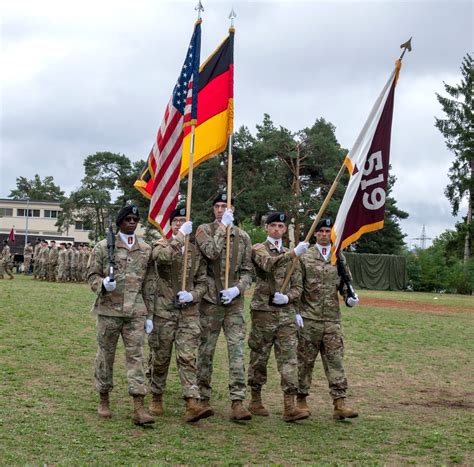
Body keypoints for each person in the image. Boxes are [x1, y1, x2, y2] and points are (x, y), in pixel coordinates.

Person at [87, 204, 155, 425]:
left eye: (135, 219)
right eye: (128, 219)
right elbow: (91, 275)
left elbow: (149, 284)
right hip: (109, 311)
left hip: (135, 312)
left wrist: (149, 315)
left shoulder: (145, 249)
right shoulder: (103, 246)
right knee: (105, 357)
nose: (132, 223)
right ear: (120, 222)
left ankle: (138, 406)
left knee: (136, 357)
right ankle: (104, 398)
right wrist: (103, 284)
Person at [147, 206, 213, 423]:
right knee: (160, 356)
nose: (180, 224)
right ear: (171, 225)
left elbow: (203, 282)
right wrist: (179, 237)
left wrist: (192, 295)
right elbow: (163, 258)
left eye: (184, 221)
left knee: (187, 357)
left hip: (188, 313)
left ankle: (191, 402)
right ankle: (156, 395)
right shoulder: (161, 244)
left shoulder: (196, 252)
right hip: (164, 312)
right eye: (176, 221)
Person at [195, 193, 253, 421]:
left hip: (234, 304)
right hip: (210, 301)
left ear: (232, 209)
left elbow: (248, 270)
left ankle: (238, 401)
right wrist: (223, 228)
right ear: (213, 209)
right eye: (217, 206)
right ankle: (202, 397)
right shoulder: (203, 230)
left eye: (225, 206)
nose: (220, 210)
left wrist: (238, 289)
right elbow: (211, 252)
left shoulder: (243, 237)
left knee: (237, 352)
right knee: (205, 350)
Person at [248, 212, 310, 422]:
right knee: (259, 356)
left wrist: (288, 297)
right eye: (273, 225)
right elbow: (267, 264)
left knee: (289, 359)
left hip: (285, 314)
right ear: (266, 228)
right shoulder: (259, 248)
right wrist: (292, 254)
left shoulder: (292, 255)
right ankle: (255, 399)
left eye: (280, 226)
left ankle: (289, 406)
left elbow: (299, 286)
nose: (276, 229)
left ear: (285, 230)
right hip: (263, 313)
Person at [297, 218, 359, 420]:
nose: (324, 234)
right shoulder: (305, 257)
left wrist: (349, 296)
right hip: (309, 319)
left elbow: (343, 283)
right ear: (315, 234)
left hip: (332, 320)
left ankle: (339, 403)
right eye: (321, 231)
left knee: (335, 361)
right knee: (304, 362)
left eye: (327, 231)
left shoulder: (338, 256)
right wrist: (296, 312)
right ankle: (301, 401)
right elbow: (297, 286)